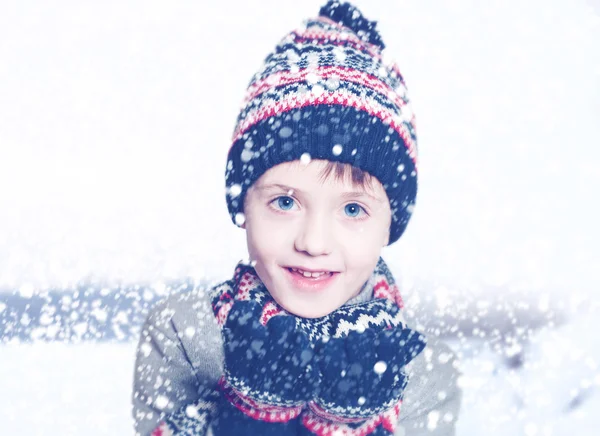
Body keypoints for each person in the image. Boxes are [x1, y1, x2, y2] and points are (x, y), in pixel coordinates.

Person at [132, 1, 462, 435]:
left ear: (390, 224)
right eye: (285, 202)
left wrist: (345, 424)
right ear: (242, 206)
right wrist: (247, 416)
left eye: (352, 209)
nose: (313, 241)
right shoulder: (189, 335)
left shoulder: (419, 369)